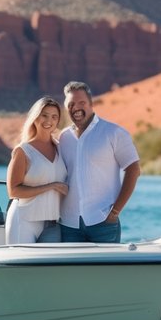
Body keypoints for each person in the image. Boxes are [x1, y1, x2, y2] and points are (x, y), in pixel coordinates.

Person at [57, 81, 140, 244]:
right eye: (71, 104)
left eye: (81, 102)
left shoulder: (114, 133)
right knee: (70, 270)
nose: (76, 108)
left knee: (106, 270)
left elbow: (134, 170)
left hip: (103, 223)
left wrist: (115, 212)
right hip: (68, 224)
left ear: (91, 104)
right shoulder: (64, 137)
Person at [4, 96, 68, 244]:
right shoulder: (23, 151)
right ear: (35, 117)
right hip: (24, 221)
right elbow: (13, 191)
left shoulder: (61, 148)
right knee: (21, 266)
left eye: (54, 117)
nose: (49, 121)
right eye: (44, 115)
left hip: (53, 224)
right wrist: (52, 186)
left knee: (50, 267)